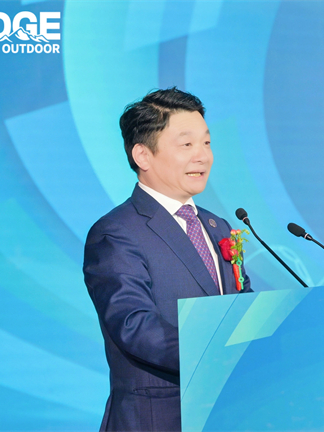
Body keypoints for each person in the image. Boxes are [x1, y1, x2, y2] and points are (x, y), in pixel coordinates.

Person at [83, 87, 251, 432]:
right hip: (157, 418)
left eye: (206, 143)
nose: (202, 156)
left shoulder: (219, 227)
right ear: (143, 155)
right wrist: (220, 354)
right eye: (186, 145)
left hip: (227, 413)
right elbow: (134, 325)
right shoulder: (116, 233)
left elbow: (241, 309)